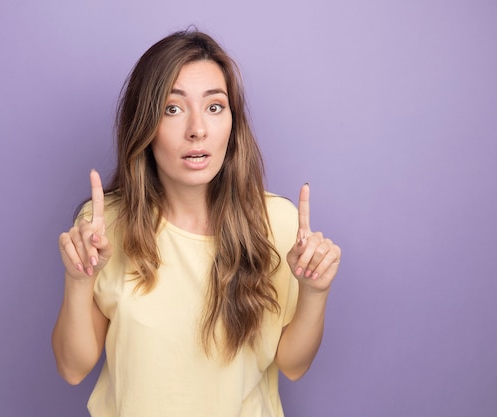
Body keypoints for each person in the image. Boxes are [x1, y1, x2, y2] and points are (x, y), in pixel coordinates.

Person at [52, 29, 341, 417]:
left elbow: (293, 364)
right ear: (146, 124)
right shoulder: (107, 225)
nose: (197, 129)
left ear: (232, 124)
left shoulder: (278, 224)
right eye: (173, 109)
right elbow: (73, 369)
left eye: (214, 107)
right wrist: (78, 279)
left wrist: (315, 293)